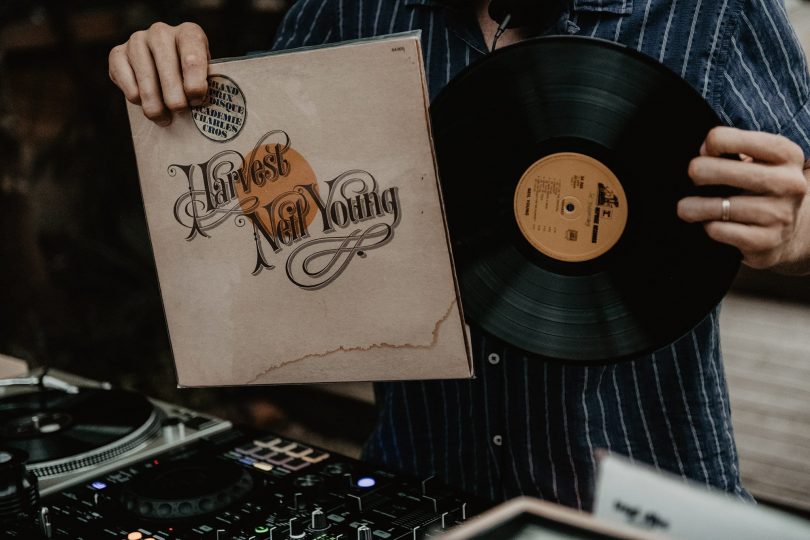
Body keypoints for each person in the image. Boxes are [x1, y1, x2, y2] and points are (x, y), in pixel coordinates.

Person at [109, 0, 810, 509]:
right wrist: (177, 72)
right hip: (423, 492)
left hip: (649, 507)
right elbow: (257, 173)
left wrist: (797, 232)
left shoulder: (711, 11)